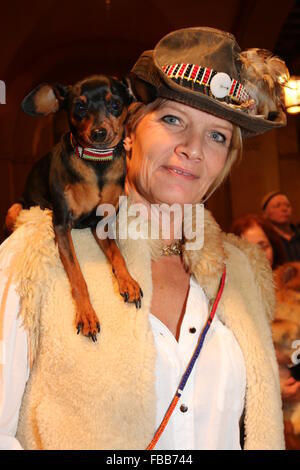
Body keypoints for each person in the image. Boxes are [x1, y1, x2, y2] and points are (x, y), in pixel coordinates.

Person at [0, 27, 289, 450]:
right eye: (173, 119)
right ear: (129, 130)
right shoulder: (34, 255)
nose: (193, 148)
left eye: (217, 136)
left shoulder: (242, 273)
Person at [231, 214, 300, 448]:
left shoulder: (293, 282)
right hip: (256, 410)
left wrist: (291, 357)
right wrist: (272, 389)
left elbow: (294, 350)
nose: (258, 254)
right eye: (247, 248)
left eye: (263, 245)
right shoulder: (231, 298)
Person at [261, 191, 300, 262]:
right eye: (277, 206)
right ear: (265, 214)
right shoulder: (266, 239)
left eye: (288, 205)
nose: (284, 209)